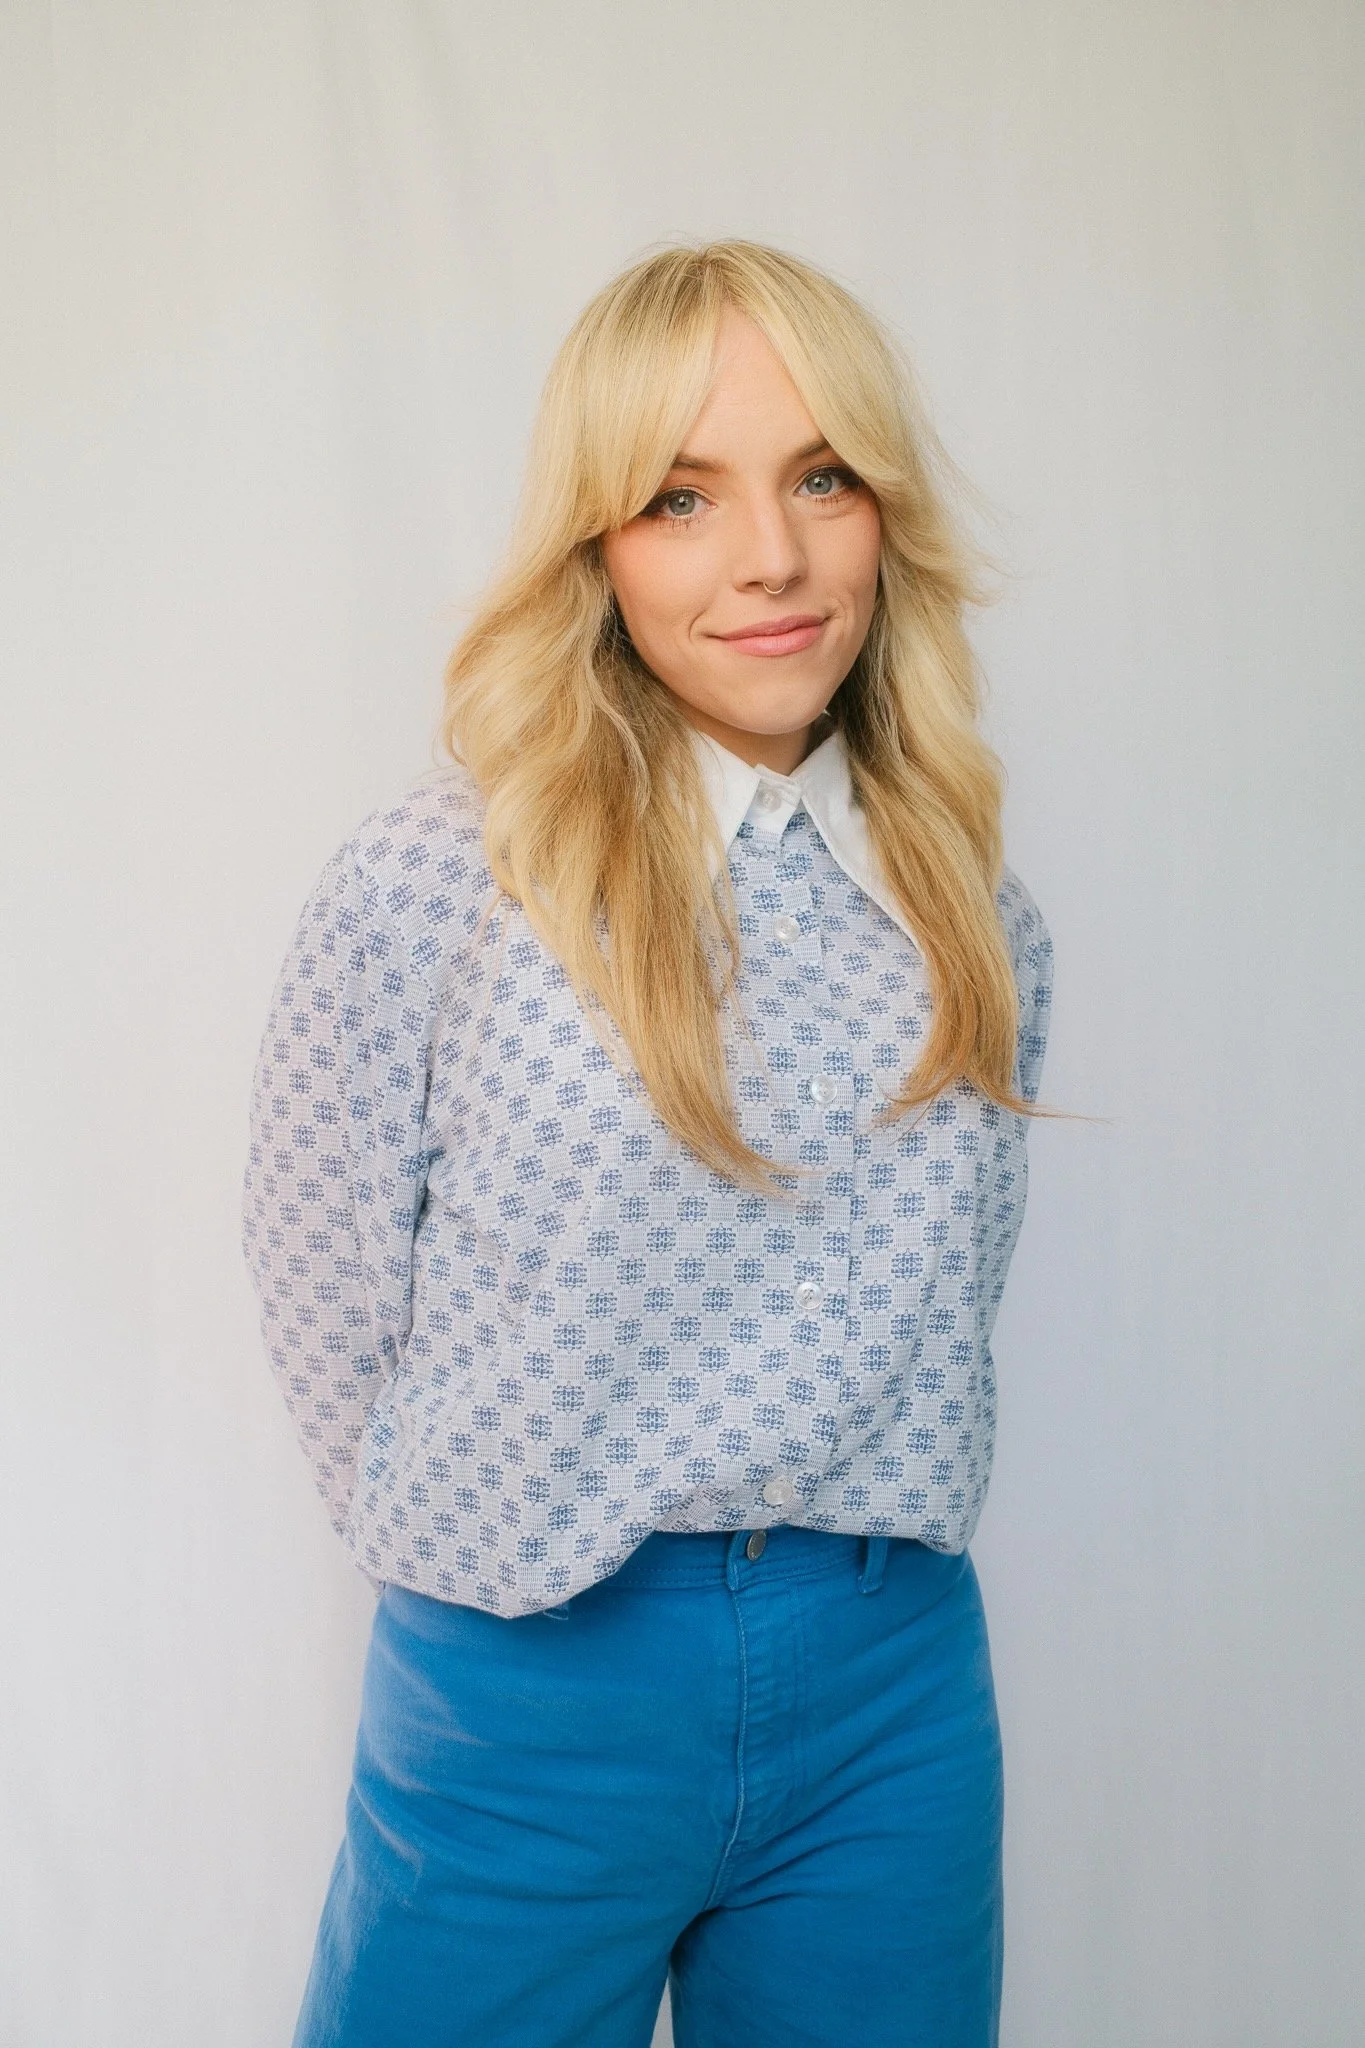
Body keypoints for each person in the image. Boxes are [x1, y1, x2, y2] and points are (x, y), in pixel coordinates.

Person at [241, 238, 1057, 2048]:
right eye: (682, 498)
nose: (770, 556)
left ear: (881, 517)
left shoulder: (972, 910)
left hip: (890, 1700)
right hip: (530, 1686)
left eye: (820, 476)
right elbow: (320, 1271)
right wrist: (456, 1567)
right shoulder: (437, 886)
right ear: (597, 548)